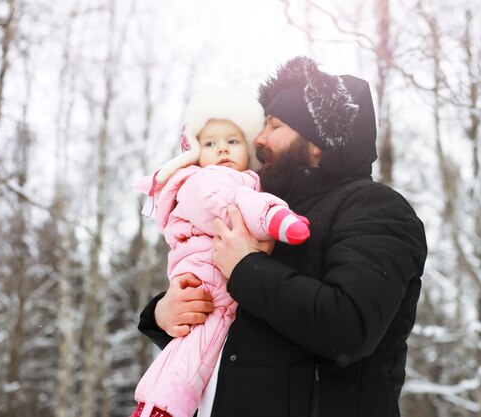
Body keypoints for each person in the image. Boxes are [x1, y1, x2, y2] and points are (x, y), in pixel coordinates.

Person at [138, 56, 428, 417]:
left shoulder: (375, 207)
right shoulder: (263, 210)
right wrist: (164, 314)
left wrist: (246, 267)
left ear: (318, 142)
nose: (258, 138)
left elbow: (349, 328)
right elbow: (245, 340)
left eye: (274, 126)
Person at [131, 88, 310, 417]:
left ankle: (161, 406)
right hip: (209, 280)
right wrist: (274, 217)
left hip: (217, 284)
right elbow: (229, 206)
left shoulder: (246, 181)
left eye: (233, 140)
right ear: (196, 152)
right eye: (211, 143)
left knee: (200, 352)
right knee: (195, 351)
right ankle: (160, 408)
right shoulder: (206, 180)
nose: (223, 149)